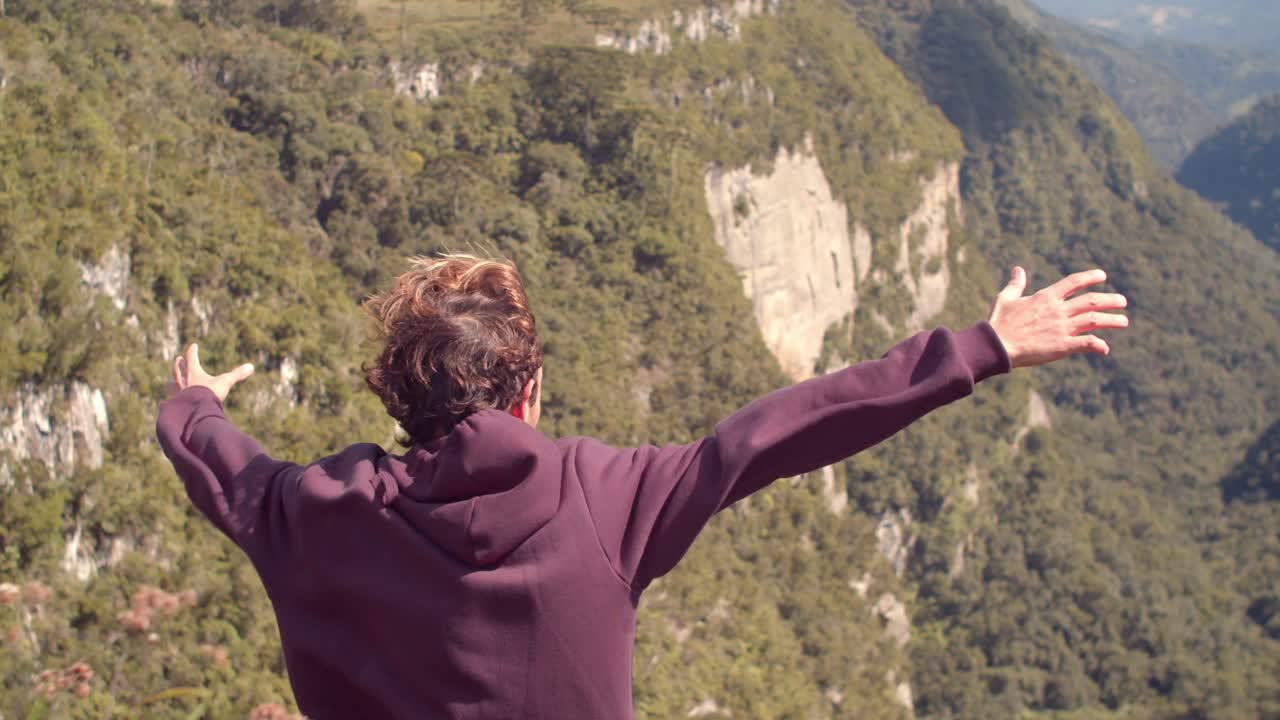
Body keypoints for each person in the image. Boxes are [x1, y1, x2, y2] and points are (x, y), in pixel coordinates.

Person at [156, 254, 1128, 719]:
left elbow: (218, 466)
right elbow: (779, 432)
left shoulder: (308, 514)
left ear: (394, 398)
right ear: (530, 389)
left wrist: (195, 402)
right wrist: (982, 346)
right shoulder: (603, 496)